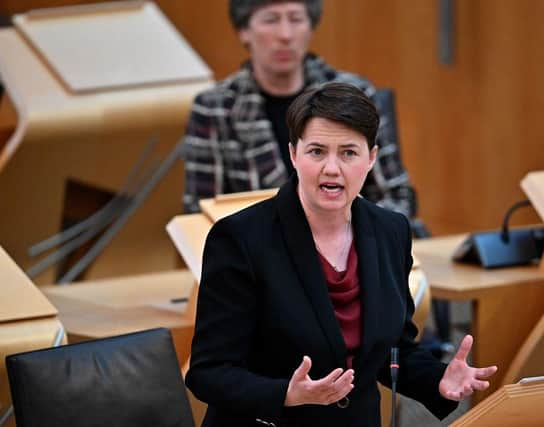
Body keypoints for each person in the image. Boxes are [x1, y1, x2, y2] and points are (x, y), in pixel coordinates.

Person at [186, 82, 497, 427]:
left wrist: (438, 379)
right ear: (293, 154)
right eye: (317, 151)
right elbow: (208, 373)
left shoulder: (389, 231)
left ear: (371, 159)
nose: (331, 168)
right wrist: (284, 395)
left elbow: (393, 350)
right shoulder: (240, 239)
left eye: (348, 153)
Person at [182, 0, 416, 221]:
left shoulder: (355, 93)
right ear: (244, 31)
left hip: (354, 249)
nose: (285, 35)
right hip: (258, 256)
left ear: (311, 26)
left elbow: (396, 197)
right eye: (271, 20)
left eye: (296, 19)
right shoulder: (215, 108)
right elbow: (200, 214)